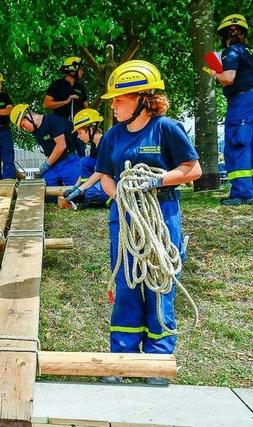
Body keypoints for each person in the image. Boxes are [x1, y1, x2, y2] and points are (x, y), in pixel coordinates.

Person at [95, 60, 202, 385]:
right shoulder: (112, 136)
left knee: (159, 287)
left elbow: (192, 169)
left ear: (144, 99)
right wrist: (123, 198)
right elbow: (105, 179)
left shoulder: (166, 128)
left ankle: (156, 362)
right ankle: (122, 360)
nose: (113, 105)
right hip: (125, 223)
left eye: (119, 99)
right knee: (127, 286)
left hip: (161, 219)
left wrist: (155, 182)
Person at [211, 14, 253, 205]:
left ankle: (242, 193)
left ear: (223, 36)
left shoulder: (231, 52)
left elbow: (228, 78)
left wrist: (215, 73)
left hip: (241, 102)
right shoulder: (249, 53)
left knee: (238, 143)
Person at [10, 104, 80, 187]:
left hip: (68, 160)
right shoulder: (36, 132)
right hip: (54, 164)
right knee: (46, 185)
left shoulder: (51, 120)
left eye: (23, 125)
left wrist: (47, 164)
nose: (25, 129)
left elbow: (61, 145)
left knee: (76, 190)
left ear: (28, 116)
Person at [63, 109, 110, 208]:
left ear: (90, 130)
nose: (79, 137)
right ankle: (86, 194)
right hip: (102, 178)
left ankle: (102, 198)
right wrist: (76, 187)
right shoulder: (94, 145)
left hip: (112, 180)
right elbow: (91, 168)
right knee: (84, 161)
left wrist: (80, 190)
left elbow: (99, 173)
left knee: (90, 194)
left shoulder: (105, 143)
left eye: (80, 133)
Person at [43, 57, 90, 157]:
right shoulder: (56, 85)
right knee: (67, 154)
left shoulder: (80, 87)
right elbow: (46, 104)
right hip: (61, 125)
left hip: (78, 126)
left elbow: (86, 108)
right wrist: (65, 101)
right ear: (73, 69)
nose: (82, 72)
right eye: (80, 69)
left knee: (81, 153)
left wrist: (87, 123)